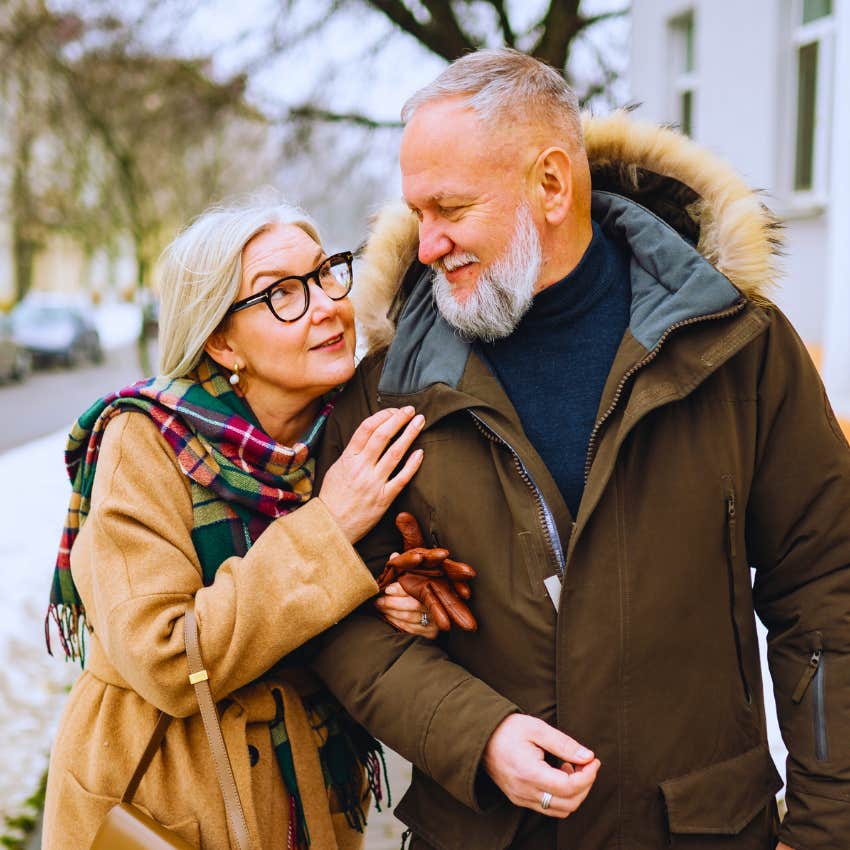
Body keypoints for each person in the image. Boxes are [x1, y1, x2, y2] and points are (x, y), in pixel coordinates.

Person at [311, 48, 850, 850]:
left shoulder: (737, 347)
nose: (427, 246)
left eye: (450, 209)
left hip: (697, 832)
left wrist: (825, 830)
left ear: (552, 185)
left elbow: (825, 591)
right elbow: (335, 615)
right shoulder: (392, 386)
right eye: (417, 213)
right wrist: (476, 734)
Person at [41, 197, 449, 850]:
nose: (324, 305)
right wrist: (331, 526)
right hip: (165, 794)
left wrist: (392, 599)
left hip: (311, 789)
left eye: (325, 274)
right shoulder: (144, 441)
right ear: (221, 339)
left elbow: (326, 601)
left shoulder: (343, 431)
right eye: (281, 294)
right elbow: (169, 657)